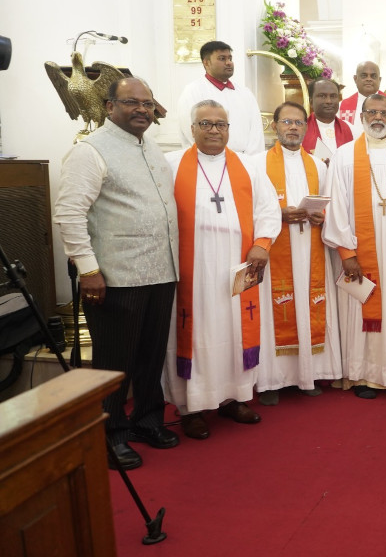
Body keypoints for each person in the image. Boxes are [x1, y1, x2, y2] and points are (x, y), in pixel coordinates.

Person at [54, 77, 179, 470]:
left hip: (160, 271)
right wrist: (89, 269)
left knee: (150, 356)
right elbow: (70, 214)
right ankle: (110, 435)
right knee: (114, 361)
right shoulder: (89, 151)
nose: (142, 109)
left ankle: (147, 421)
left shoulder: (153, 148)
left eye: (147, 102)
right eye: (131, 102)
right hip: (117, 276)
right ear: (109, 107)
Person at [164, 100, 281, 439]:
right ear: (192, 129)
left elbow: (268, 208)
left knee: (234, 330)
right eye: (206, 124)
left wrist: (262, 243)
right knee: (196, 332)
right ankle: (192, 407)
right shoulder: (172, 164)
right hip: (193, 267)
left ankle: (234, 397)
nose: (214, 130)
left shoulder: (248, 166)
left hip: (239, 262)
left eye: (220, 124)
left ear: (229, 129)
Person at [323, 94, 386, 398]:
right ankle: (364, 374)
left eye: (384, 112)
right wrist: (346, 252)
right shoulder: (345, 155)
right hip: (359, 248)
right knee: (363, 307)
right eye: (372, 112)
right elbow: (334, 205)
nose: (378, 117)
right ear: (361, 115)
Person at [253, 102, 341, 405]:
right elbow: (251, 209)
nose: (293, 127)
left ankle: (308, 374)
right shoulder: (258, 163)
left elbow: (328, 205)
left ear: (306, 127)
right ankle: (272, 380)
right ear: (274, 125)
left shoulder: (317, 165)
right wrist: (279, 214)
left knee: (308, 304)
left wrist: (321, 217)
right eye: (287, 121)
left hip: (309, 248)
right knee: (275, 308)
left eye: (299, 122)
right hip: (275, 249)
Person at [177, 41, 265, 154]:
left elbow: (256, 132)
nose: (229, 63)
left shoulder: (245, 93)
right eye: (222, 58)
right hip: (207, 159)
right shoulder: (193, 91)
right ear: (206, 63)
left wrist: (251, 160)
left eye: (230, 58)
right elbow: (190, 130)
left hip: (244, 161)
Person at [302, 79, 356, 159]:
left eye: (333, 96)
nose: (328, 101)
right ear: (311, 102)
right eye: (322, 96)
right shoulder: (301, 129)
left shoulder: (350, 129)